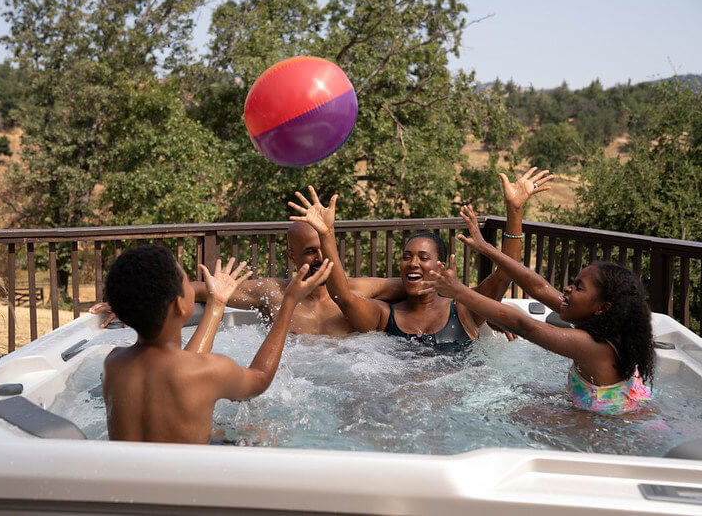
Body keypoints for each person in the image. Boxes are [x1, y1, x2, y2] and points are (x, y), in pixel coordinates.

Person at [423, 205, 654, 414]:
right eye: (573, 282)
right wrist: (487, 248)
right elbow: (538, 286)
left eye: (578, 287)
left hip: (612, 427)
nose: (567, 288)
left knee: (513, 414)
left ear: (603, 307)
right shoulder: (599, 321)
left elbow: (525, 326)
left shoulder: (592, 345)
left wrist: (458, 291)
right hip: (612, 411)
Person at [288, 168, 553, 348]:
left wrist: (514, 210)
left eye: (423, 257)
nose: (413, 263)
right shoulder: (384, 317)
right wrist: (327, 234)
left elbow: (504, 274)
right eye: (406, 257)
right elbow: (342, 297)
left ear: (439, 265)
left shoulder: (463, 311)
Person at [101, 244, 333, 443]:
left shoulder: (113, 365)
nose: (194, 287)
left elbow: (180, 370)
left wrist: (216, 304)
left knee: (219, 428)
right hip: (187, 490)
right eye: (187, 285)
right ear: (179, 306)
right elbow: (260, 377)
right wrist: (289, 302)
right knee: (260, 433)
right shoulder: (210, 371)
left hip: (130, 488)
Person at [91, 223, 405, 336]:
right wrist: (131, 302)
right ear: (292, 256)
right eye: (310, 252)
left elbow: (413, 286)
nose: (320, 258)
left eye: (325, 250)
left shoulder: (358, 291)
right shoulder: (271, 292)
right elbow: (201, 289)